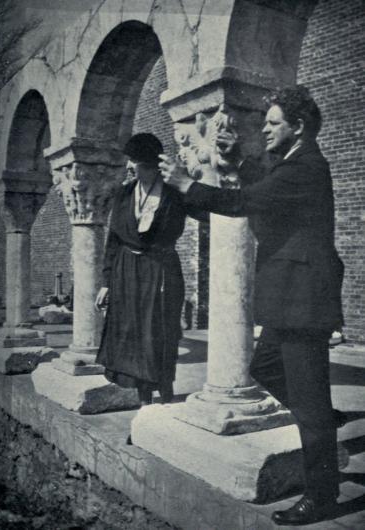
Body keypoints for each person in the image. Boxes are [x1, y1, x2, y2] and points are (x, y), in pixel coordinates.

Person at [159, 86, 346, 526]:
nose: (264, 127)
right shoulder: (291, 165)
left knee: (308, 404)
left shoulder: (306, 167)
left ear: (298, 127)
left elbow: (248, 202)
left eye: (273, 122)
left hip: (303, 301)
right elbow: (261, 191)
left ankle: (322, 495)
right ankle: (320, 419)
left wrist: (189, 185)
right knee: (264, 369)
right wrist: (239, 160)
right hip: (289, 301)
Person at [95, 133, 205, 407]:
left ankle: (165, 392)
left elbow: (206, 212)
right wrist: (107, 282)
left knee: (161, 332)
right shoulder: (124, 194)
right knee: (132, 333)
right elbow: (114, 240)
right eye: (130, 161)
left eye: (137, 162)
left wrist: (190, 181)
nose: (131, 167)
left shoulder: (173, 193)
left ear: (153, 165)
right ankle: (144, 398)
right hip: (127, 270)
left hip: (162, 270)